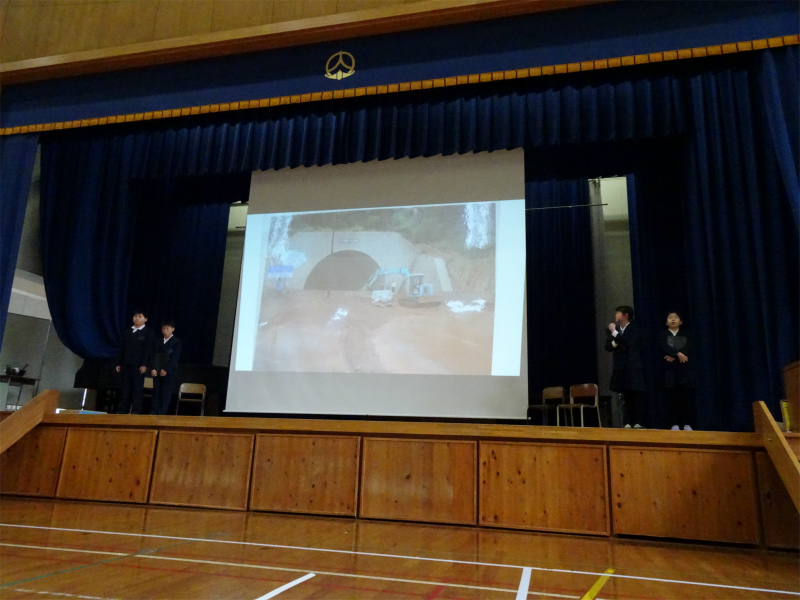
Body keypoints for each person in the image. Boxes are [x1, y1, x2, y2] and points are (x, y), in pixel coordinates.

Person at [605, 305, 646, 429]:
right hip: (620, 366)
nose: (616, 315)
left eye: (618, 313)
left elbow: (629, 342)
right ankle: (627, 422)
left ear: (626, 315)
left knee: (635, 394)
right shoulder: (616, 329)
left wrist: (615, 333)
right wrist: (616, 341)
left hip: (633, 366)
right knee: (625, 395)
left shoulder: (634, 328)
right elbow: (608, 346)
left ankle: (638, 422)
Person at [660, 311, 695, 431]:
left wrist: (675, 356)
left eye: (676, 317)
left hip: (684, 370)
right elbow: (664, 346)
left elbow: (689, 347)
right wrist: (678, 354)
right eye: (670, 318)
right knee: (672, 398)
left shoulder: (687, 335)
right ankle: (674, 423)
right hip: (670, 371)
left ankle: (687, 423)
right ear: (666, 322)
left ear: (681, 321)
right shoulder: (663, 334)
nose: (673, 319)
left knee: (686, 398)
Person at [115, 309, 155, 414]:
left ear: (145, 319)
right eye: (135, 316)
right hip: (126, 363)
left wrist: (144, 364)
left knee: (137, 388)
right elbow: (122, 348)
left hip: (138, 365)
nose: (137, 318)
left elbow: (147, 350)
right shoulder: (127, 331)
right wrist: (118, 362)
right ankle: (123, 409)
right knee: (125, 388)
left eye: (140, 317)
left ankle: (136, 410)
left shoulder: (148, 333)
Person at [149, 320, 182, 415]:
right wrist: (153, 368)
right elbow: (152, 355)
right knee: (156, 392)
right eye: (163, 328)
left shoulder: (176, 342)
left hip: (168, 372)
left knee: (165, 393)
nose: (165, 330)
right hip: (156, 370)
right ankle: (153, 412)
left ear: (173, 329)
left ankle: (162, 413)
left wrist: (166, 369)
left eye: (167, 328)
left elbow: (174, 358)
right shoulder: (157, 341)